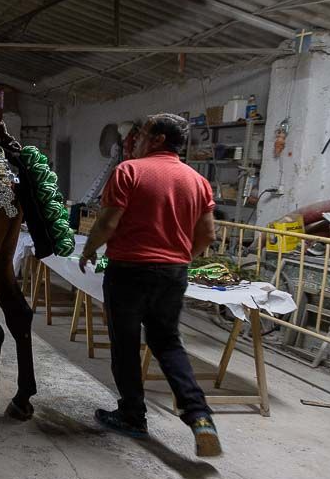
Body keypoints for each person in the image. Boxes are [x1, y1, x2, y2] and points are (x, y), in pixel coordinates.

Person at [79, 113, 222, 457]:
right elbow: (208, 235)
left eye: (141, 134)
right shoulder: (197, 181)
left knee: (125, 345)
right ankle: (200, 417)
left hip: (129, 270)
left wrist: (88, 249)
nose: (135, 140)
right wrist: (177, 256)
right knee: (168, 343)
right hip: (172, 273)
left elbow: (108, 222)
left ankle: (132, 414)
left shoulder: (129, 171)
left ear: (157, 138)